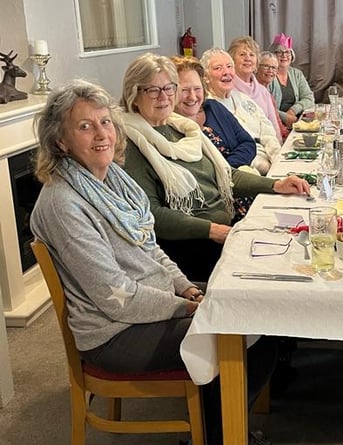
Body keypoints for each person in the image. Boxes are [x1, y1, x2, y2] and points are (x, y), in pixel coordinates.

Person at [29, 79, 276, 445]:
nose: (102, 134)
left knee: (263, 305)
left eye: (105, 122)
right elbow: (114, 296)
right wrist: (188, 307)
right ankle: (220, 435)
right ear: (60, 141)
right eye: (85, 126)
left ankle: (220, 427)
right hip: (114, 331)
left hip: (152, 300)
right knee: (235, 328)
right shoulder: (66, 204)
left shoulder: (112, 179)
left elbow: (151, 249)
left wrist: (189, 289)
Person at [120, 53, 310, 282]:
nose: (164, 97)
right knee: (285, 266)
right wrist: (213, 230)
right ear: (133, 94)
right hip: (193, 249)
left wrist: (277, 185)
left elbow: (225, 176)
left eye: (169, 88)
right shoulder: (132, 145)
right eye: (152, 90)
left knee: (301, 242)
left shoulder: (181, 128)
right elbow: (153, 215)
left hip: (222, 230)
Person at [201, 48, 283, 175]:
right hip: (246, 169)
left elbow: (268, 133)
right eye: (218, 68)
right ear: (206, 77)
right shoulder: (208, 109)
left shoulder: (243, 98)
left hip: (269, 161)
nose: (226, 72)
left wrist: (279, 160)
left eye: (229, 66)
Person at [171, 55, 257, 170]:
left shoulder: (213, 107)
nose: (192, 97)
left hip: (236, 177)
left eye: (197, 89)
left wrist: (226, 169)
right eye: (184, 90)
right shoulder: (170, 126)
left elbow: (248, 143)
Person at [228, 36, 286, 140]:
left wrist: (279, 152)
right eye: (242, 54)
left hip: (269, 148)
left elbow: (274, 126)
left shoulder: (263, 91)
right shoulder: (227, 90)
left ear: (256, 62)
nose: (248, 58)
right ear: (232, 60)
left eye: (252, 54)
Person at [267, 33, 316, 129]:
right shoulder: (268, 75)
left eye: (287, 52)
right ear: (272, 55)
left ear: (292, 55)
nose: (284, 55)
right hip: (275, 124)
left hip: (297, 121)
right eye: (279, 52)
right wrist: (285, 117)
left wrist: (293, 111)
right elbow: (265, 106)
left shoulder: (296, 74)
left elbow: (309, 98)